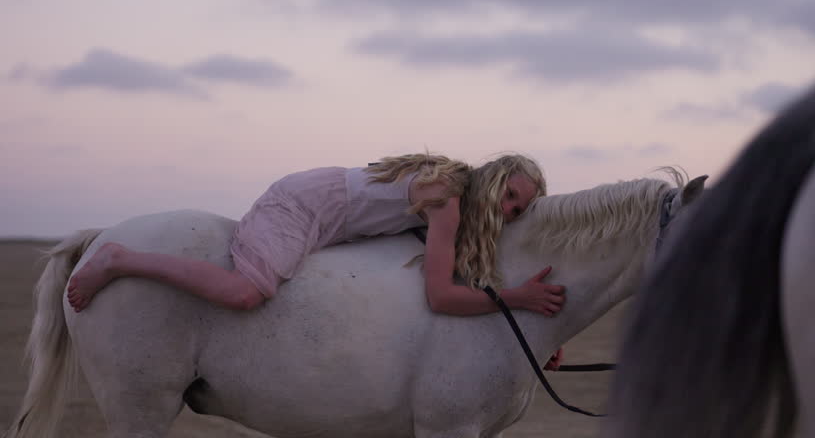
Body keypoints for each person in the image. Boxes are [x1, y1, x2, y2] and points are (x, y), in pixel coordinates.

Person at [67, 154, 566, 322]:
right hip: (304, 205)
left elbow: (467, 271)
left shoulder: (455, 198)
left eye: (519, 209)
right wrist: (516, 299)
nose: (511, 211)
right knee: (246, 293)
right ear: (497, 177)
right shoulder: (447, 202)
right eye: (512, 197)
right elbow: (440, 296)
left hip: (327, 212)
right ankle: (120, 258)